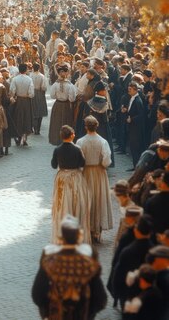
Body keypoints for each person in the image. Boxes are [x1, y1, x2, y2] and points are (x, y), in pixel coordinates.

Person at [32, 214, 107, 320]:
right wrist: (89, 315)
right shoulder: (89, 263)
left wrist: (46, 313)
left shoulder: (49, 261)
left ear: (61, 237)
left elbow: (38, 295)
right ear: (79, 236)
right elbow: (100, 299)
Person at [76, 115, 113, 243]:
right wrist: (102, 165)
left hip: (86, 173)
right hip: (99, 173)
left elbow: (78, 160)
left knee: (87, 201)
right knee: (99, 199)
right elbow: (107, 160)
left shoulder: (80, 141)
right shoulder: (103, 141)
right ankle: (98, 231)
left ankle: (89, 228)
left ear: (86, 127)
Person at [51, 125, 90, 244]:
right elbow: (82, 163)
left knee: (62, 203)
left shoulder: (57, 149)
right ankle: (75, 227)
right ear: (72, 135)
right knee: (77, 202)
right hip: (75, 178)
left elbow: (53, 165)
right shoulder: (77, 149)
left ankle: (63, 229)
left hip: (62, 178)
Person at [49, 66, 77, 146]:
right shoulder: (70, 85)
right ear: (67, 74)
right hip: (66, 105)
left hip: (57, 105)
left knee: (57, 122)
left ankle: (56, 139)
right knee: (66, 121)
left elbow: (52, 96)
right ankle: (66, 140)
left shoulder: (55, 84)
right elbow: (72, 98)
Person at [31, 62, 48, 135]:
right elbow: (44, 87)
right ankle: (38, 129)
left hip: (32, 92)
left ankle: (35, 128)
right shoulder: (42, 76)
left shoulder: (30, 75)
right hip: (40, 93)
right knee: (40, 111)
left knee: (34, 111)